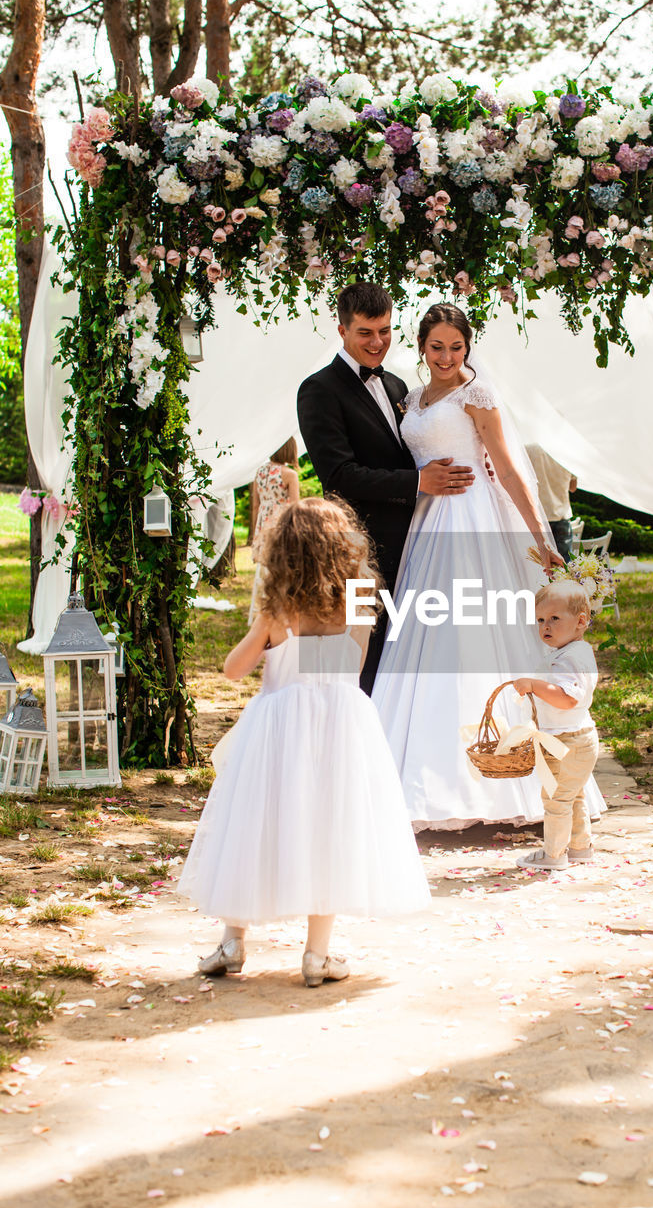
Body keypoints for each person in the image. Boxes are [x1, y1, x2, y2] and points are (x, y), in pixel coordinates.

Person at [177, 497, 431, 986]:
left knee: (253, 825)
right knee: (330, 830)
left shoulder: (279, 610)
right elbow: (352, 667)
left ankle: (232, 941)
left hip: (277, 727)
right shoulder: (357, 596)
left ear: (283, 553)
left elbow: (233, 670)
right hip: (340, 722)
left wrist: (269, 634)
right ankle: (317, 956)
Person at [371, 303, 566, 831]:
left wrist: (540, 535)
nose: (447, 357)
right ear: (421, 346)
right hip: (427, 523)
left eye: (457, 347)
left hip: (471, 520)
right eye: (437, 347)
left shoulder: (477, 396)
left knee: (470, 632)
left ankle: (500, 775)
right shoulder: (410, 398)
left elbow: (504, 465)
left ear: (467, 347)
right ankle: (422, 772)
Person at [296, 282, 477, 693]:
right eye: (365, 333)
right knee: (360, 655)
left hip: (416, 544)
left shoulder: (398, 387)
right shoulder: (318, 390)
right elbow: (338, 474)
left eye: (385, 330)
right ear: (341, 330)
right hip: (359, 547)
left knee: (403, 656)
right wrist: (418, 481)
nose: (378, 342)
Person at [513, 580, 600, 870]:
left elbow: (566, 699)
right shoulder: (575, 652)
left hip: (565, 742)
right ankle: (579, 846)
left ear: (581, 621)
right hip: (578, 737)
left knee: (555, 800)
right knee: (573, 795)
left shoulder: (569, 659)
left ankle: (554, 854)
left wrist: (534, 686)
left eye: (554, 618)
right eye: (540, 620)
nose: (545, 626)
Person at [248, 438, 300, 624]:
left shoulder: (260, 472)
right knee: (284, 569)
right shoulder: (289, 474)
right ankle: (281, 610)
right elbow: (295, 506)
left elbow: (255, 505)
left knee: (265, 571)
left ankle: (261, 611)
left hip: (263, 523)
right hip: (281, 524)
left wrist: (257, 530)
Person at [526, 443, 578, 561]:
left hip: (537, 517)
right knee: (563, 567)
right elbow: (573, 487)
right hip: (561, 518)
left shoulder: (530, 448)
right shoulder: (568, 453)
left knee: (538, 567)